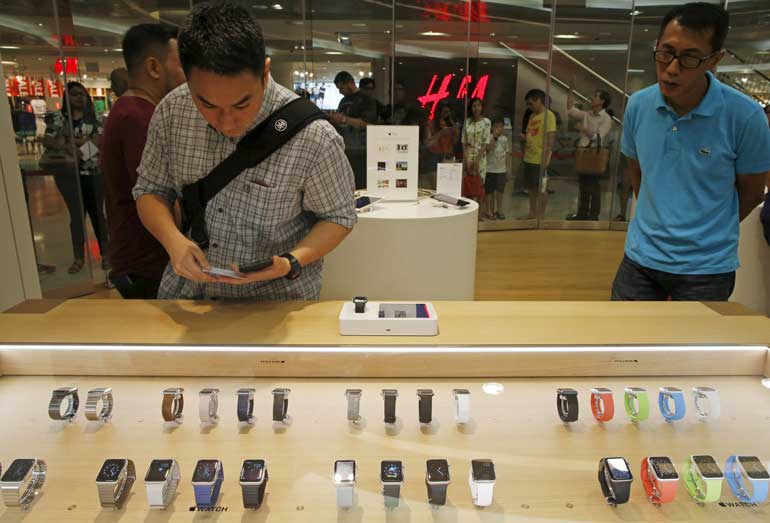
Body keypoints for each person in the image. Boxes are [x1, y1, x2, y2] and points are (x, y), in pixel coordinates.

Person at [133, 2, 356, 301]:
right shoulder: (172, 111)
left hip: (276, 300)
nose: (227, 121)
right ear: (186, 77)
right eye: (207, 104)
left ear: (264, 72)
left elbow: (338, 216)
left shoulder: (313, 136)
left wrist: (292, 259)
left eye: (241, 104)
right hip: (188, 297)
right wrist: (173, 241)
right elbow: (150, 190)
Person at [611, 3, 770, 302]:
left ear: (715, 59)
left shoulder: (745, 116)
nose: (671, 68)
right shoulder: (638, 105)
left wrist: (708, 230)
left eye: (689, 58)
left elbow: (751, 193)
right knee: (625, 344)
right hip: (640, 260)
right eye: (665, 52)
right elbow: (639, 174)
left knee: (693, 349)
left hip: (707, 269)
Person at [101, 24, 186, 299]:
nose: (187, 74)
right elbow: (155, 193)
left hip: (142, 259)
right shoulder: (139, 119)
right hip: (146, 263)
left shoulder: (133, 111)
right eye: (181, 63)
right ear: (154, 67)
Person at [43, 81, 109, 274]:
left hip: (93, 174)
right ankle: (79, 258)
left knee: (98, 216)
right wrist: (77, 143)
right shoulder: (58, 118)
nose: (79, 97)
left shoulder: (95, 119)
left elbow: (97, 145)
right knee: (77, 217)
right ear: (66, 97)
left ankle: (106, 255)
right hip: (68, 176)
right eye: (74, 94)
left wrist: (70, 144)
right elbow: (48, 141)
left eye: (82, 94)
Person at [566, 88, 613, 221]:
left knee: (594, 186)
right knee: (583, 184)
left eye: (596, 96)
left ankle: (593, 215)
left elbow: (598, 137)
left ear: (602, 101)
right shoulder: (587, 114)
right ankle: (582, 213)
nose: (592, 98)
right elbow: (570, 110)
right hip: (583, 152)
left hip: (595, 154)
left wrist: (584, 129)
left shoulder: (606, 118)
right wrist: (570, 91)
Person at [329, 71, 377, 189]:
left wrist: (344, 119)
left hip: (361, 149)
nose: (340, 91)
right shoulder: (343, 100)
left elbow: (368, 124)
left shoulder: (366, 100)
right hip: (346, 147)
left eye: (341, 87)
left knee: (360, 182)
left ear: (350, 83)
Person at [520, 89, 556, 219]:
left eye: (531, 103)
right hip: (529, 157)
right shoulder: (532, 116)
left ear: (539, 101)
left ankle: (541, 215)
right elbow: (531, 133)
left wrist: (546, 159)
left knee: (542, 189)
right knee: (531, 189)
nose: (530, 107)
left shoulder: (549, 115)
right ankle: (532, 212)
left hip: (540, 158)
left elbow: (550, 138)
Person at [461, 98, 490, 213]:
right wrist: (465, 159)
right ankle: (468, 213)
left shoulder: (486, 122)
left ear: (482, 107)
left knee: (479, 186)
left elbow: (485, 142)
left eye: (478, 105)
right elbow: (463, 140)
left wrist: (477, 161)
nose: (476, 108)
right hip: (468, 156)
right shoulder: (467, 121)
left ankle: (479, 214)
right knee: (468, 186)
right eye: (474, 106)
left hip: (480, 157)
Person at [484, 118, 511, 220]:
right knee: (489, 191)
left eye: (500, 126)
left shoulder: (505, 139)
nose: (498, 129)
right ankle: (489, 210)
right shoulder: (489, 137)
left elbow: (507, 154)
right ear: (492, 128)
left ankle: (499, 210)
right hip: (490, 169)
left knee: (500, 191)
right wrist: (494, 138)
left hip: (501, 170)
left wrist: (508, 169)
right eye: (496, 126)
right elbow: (488, 149)